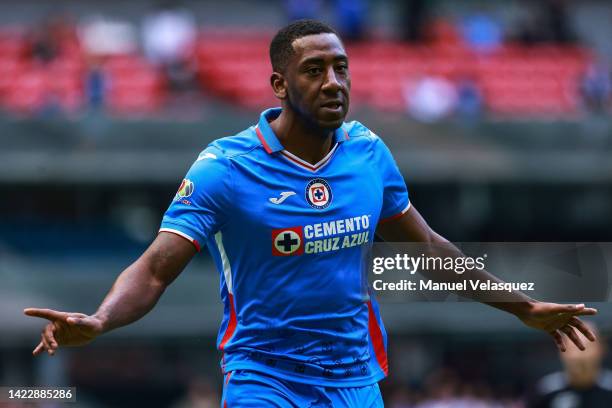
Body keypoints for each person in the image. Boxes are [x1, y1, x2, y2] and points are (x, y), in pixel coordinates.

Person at [25, 20, 597, 407]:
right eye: (314, 70)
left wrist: (522, 307)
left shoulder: (369, 154)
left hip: (355, 378)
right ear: (279, 83)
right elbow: (154, 269)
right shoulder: (224, 167)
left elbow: (429, 251)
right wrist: (100, 321)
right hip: (263, 377)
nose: (333, 83)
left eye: (341, 68)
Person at [527, 323, 612, 408]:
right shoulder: (545, 390)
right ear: (561, 351)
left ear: (601, 350)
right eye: (573, 347)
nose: (579, 355)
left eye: (586, 348)